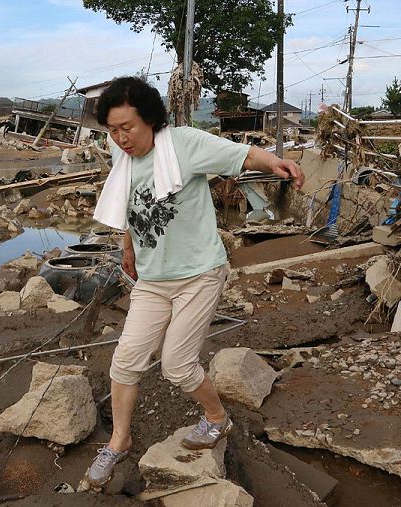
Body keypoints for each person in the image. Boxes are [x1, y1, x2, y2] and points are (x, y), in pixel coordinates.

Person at [84, 77, 303, 488]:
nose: (120, 137)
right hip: (152, 278)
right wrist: (128, 249)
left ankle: (218, 418)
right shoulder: (123, 156)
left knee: (177, 365)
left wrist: (275, 163)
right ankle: (120, 439)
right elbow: (131, 208)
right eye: (112, 130)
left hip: (199, 275)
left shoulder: (183, 143)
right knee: (125, 361)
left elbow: (243, 155)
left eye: (126, 127)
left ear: (149, 118)